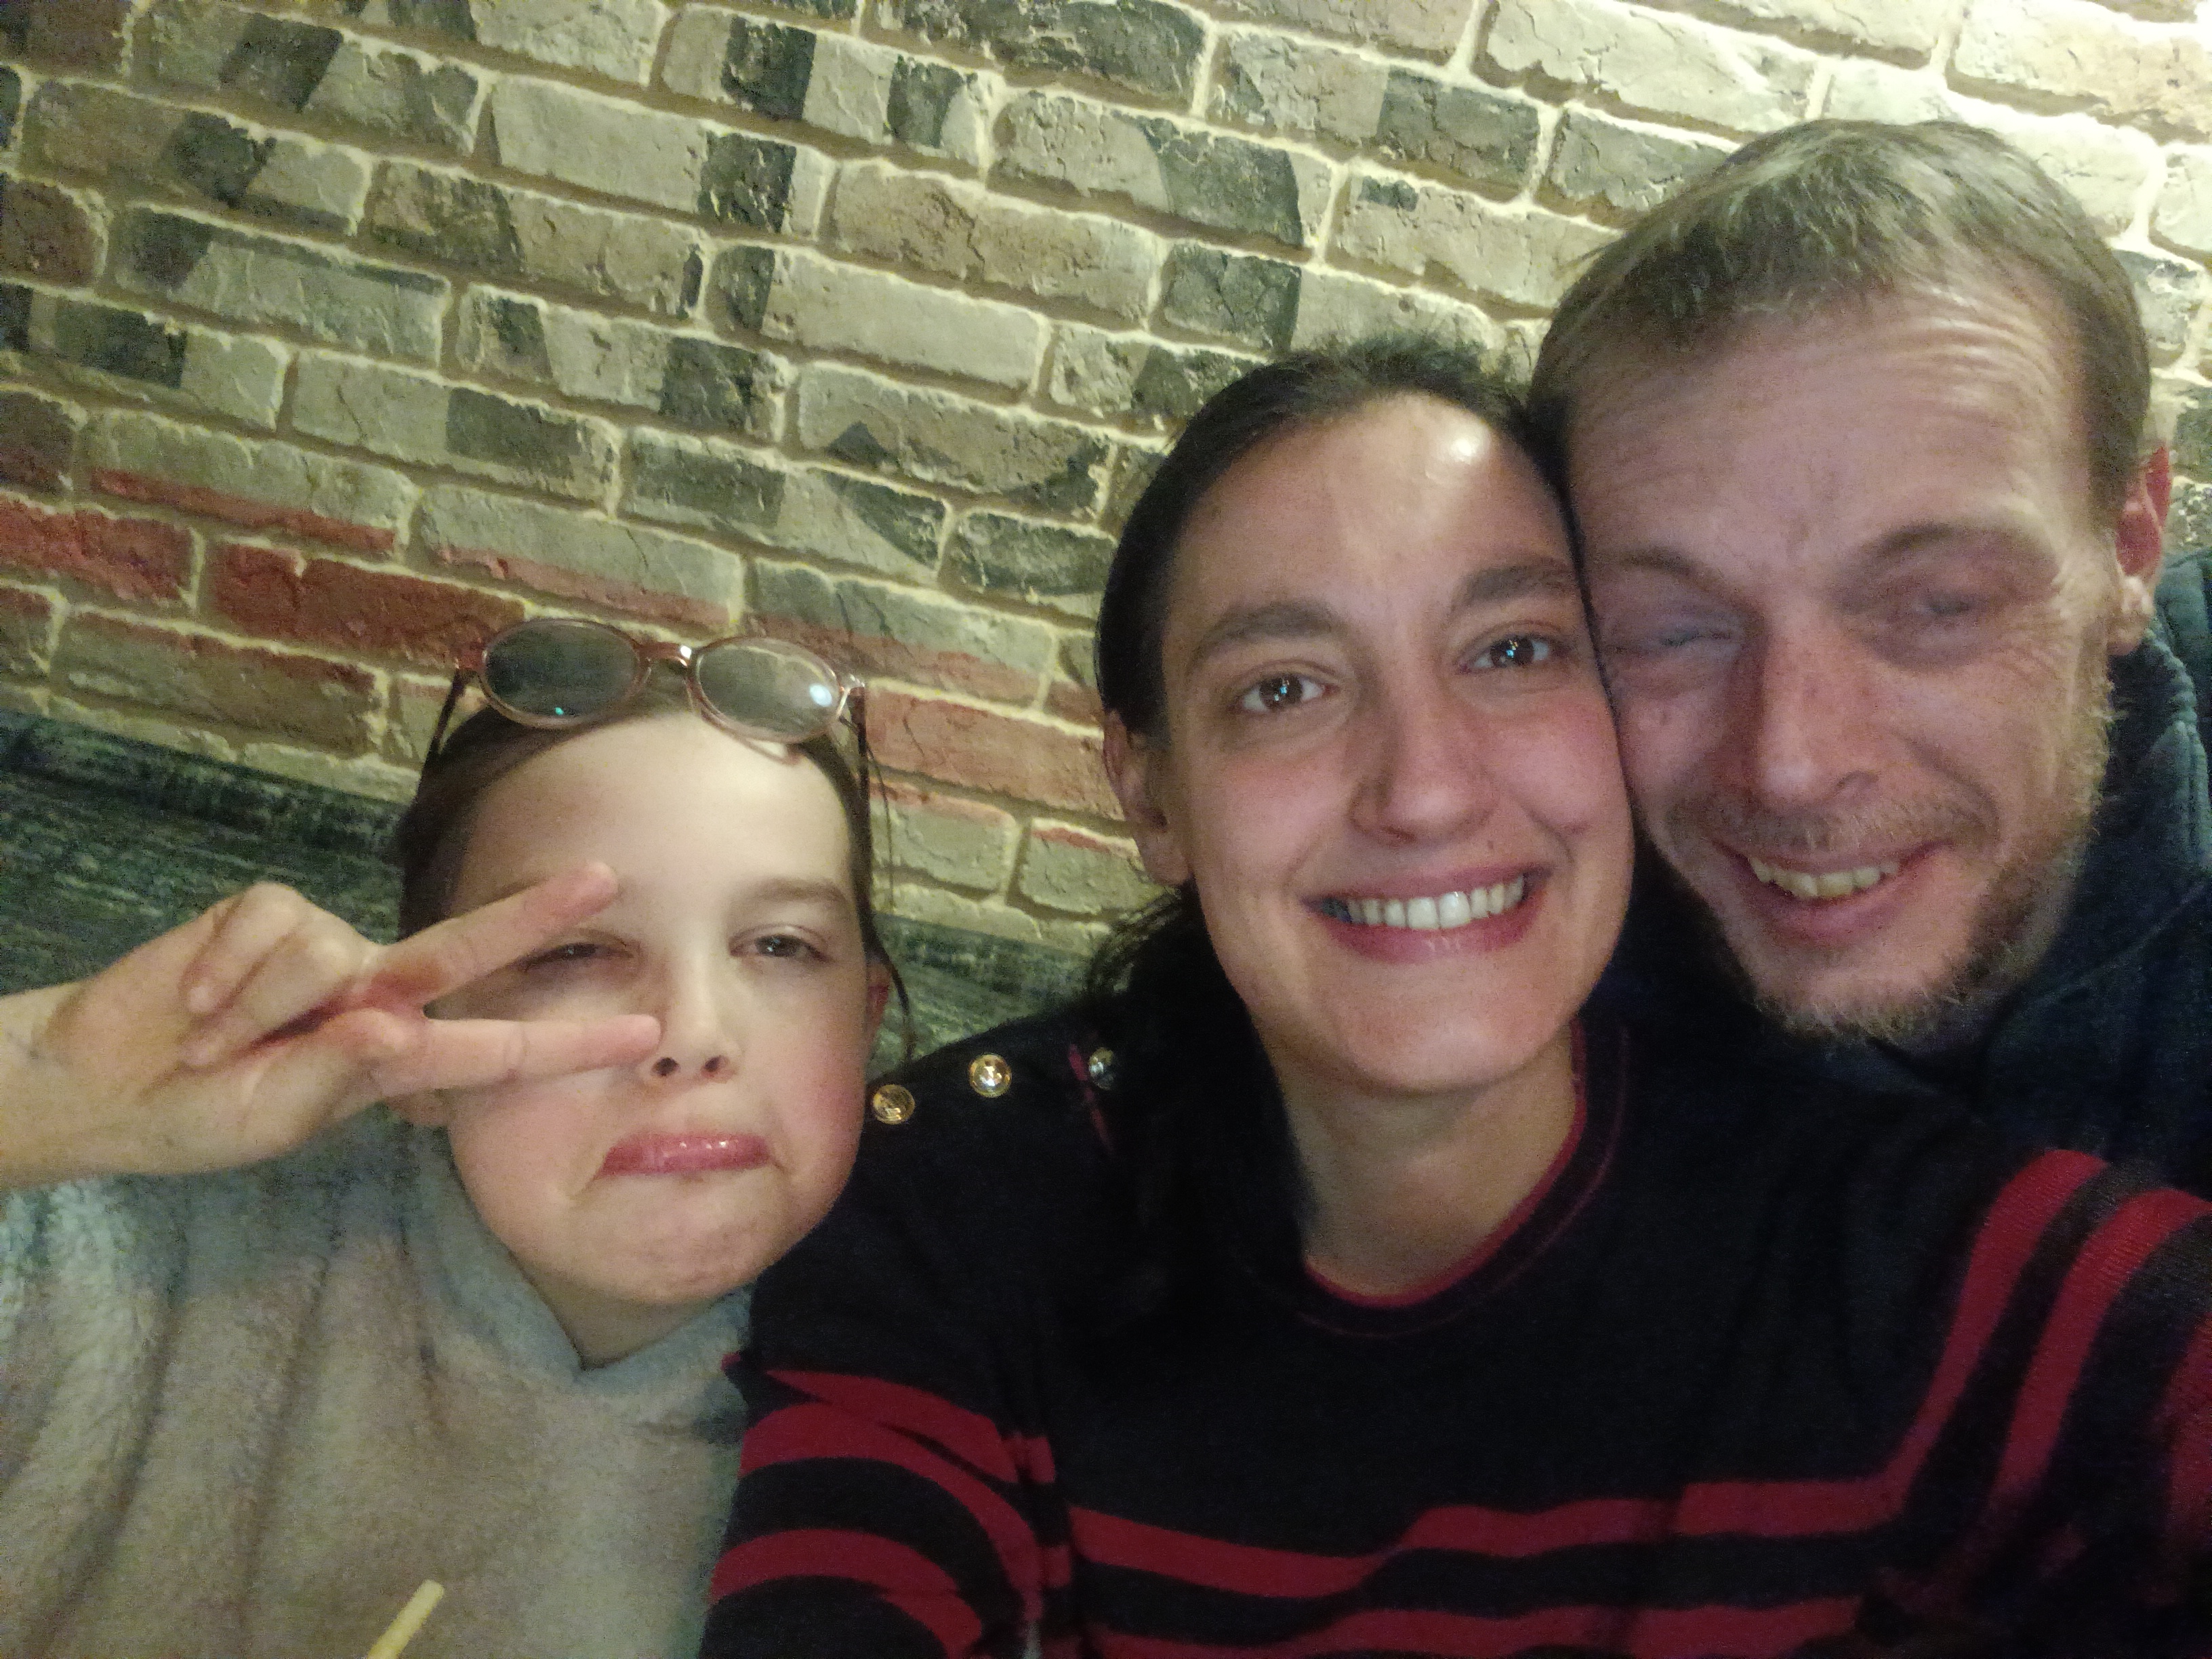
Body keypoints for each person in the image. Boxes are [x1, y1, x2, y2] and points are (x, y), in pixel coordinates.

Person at [700, 341, 2212, 1658]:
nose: (1423, 790)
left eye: (1512, 651)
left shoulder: (1880, 1259)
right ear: (1151, 791)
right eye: (1285, 687)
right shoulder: (957, 1214)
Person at [0, 621, 895, 1658]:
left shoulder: (953, 1406)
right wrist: (43, 1090)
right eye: (573, 952)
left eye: (781, 945)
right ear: (423, 1032)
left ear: (865, 1025)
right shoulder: (125, 1256)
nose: (692, 1035)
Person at [1525, 119, 2212, 1189]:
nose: (1789, 766)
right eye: (1675, 631)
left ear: (2128, 546)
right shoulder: (1529, 988)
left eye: (1936, 606)